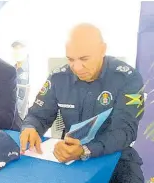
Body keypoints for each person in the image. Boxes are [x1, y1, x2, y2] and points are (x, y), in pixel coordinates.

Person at [20, 23, 145, 183]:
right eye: (70, 59)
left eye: (84, 59)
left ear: (102, 50)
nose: (77, 67)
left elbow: (125, 131)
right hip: (68, 156)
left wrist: (86, 150)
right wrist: (30, 128)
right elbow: (37, 115)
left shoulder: (127, 78)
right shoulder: (59, 78)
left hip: (116, 158)